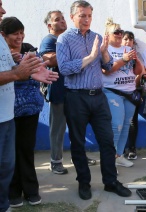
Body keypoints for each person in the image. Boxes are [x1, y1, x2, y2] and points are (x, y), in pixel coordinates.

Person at [56, 0, 131, 200]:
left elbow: (107, 67)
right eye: (82, 15)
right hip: (76, 98)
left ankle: (111, 181)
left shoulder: (97, 37)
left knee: (107, 141)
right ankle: (84, 183)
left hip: (98, 97)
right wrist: (89, 57)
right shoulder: (64, 40)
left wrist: (104, 53)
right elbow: (64, 69)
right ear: (72, 17)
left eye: (89, 15)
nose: (86, 19)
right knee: (78, 143)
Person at [0, 2, 57, 212]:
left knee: (25, 151)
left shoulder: (28, 50)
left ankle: (31, 191)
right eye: (14, 33)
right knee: (9, 157)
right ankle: (13, 193)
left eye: (21, 32)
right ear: (4, 35)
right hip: (8, 112)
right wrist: (16, 69)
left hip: (30, 111)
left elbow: (38, 72)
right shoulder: (3, 53)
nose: (19, 37)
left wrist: (29, 66)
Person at [102, 18, 143, 168]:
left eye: (121, 32)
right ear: (108, 34)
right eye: (116, 32)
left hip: (130, 93)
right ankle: (109, 160)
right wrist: (124, 60)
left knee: (126, 125)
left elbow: (138, 72)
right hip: (112, 92)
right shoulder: (105, 49)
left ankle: (119, 155)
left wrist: (136, 60)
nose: (120, 35)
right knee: (116, 125)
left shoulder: (127, 49)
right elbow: (106, 70)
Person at [40, 10, 70, 175]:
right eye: (57, 20)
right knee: (58, 128)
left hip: (73, 89)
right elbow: (50, 59)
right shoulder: (49, 40)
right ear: (49, 25)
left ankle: (78, 156)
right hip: (58, 90)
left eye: (63, 18)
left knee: (76, 126)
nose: (62, 21)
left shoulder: (66, 39)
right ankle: (56, 162)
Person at [122, 30, 146, 160]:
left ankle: (131, 148)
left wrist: (133, 83)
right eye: (125, 39)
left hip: (134, 91)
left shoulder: (136, 56)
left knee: (132, 121)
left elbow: (140, 72)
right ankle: (119, 150)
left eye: (130, 39)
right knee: (119, 121)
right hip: (118, 93)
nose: (128, 41)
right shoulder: (115, 54)